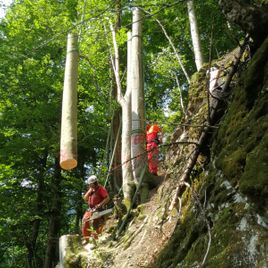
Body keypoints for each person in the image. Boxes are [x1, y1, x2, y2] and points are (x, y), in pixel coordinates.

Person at [82, 175, 110, 241]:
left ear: (94, 183)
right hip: (90, 209)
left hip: (98, 209)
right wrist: (89, 192)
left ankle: (95, 239)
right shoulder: (91, 190)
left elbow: (107, 198)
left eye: (90, 184)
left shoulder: (101, 189)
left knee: (94, 223)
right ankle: (87, 239)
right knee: (84, 221)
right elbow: (85, 198)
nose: (89, 185)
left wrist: (100, 204)